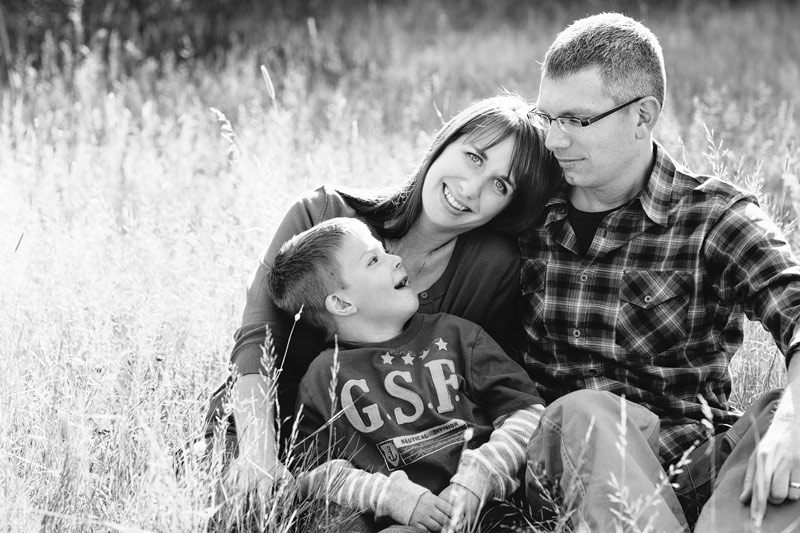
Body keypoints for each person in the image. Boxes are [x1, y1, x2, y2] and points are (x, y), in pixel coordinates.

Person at [521, 12, 800, 533]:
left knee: (787, 412)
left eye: (576, 120)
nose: (554, 140)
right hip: (574, 466)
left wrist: (791, 423)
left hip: (696, 467)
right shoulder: (524, 207)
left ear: (642, 116)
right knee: (584, 411)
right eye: (547, 118)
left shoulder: (712, 216)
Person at [205, 93, 561, 497]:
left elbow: (488, 385)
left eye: (500, 184)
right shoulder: (322, 215)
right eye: (474, 157)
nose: (470, 188)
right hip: (258, 437)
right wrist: (259, 456)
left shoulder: (490, 267)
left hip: (388, 479)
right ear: (445, 143)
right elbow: (257, 343)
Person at [267, 217, 544, 531]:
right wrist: (389, 496)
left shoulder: (458, 336)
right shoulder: (323, 379)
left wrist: (479, 478)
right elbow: (313, 476)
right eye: (373, 260)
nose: (396, 259)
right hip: (399, 523)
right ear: (342, 303)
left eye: (384, 251)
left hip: (489, 510)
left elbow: (529, 414)